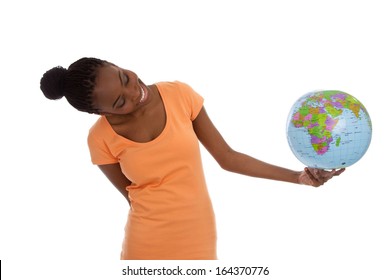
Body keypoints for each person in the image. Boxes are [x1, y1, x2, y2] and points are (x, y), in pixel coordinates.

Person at [40, 57, 345, 260]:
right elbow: (132, 197)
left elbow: (227, 157)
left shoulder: (178, 95)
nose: (135, 91)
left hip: (199, 236)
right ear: (102, 112)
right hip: (145, 245)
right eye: (120, 101)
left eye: (125, 77)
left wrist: (298, 177)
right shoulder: (100, 138)